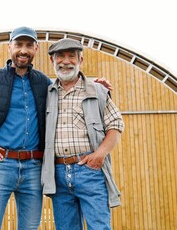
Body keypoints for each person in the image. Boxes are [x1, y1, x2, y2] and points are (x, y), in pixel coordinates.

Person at [0, 27, 113, 229]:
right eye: (18, 45)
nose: (23, 50)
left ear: (36, 48)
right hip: (0, 164)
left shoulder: (44, 83)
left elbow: (68, 84)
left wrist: (94, 84)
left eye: (29, 45)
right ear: (9, 47)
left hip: (34, 168)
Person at [41, 38, 124, 230]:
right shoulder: (46, 94)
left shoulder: (98, 91)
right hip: (59, 174)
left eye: (72, 56)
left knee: (99, 227)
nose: (66, 61)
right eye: (60, 56)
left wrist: (99, 155)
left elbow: (116, 125)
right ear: (52, 61)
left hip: (90, 170)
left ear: (81, 60)